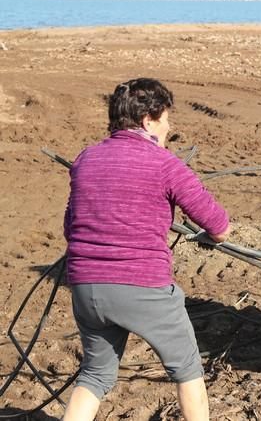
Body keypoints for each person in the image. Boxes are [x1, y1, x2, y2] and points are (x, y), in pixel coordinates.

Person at [62, 78, 231, 421]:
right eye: (165, 117)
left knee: (95, 376)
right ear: (148, 120)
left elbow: (70, 226)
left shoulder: (86, 159)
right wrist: (215, 235)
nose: (169, 126)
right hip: (142, 285)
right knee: (188, 369)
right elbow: (218, 225)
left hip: (85, 286)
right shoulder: (165, 164)